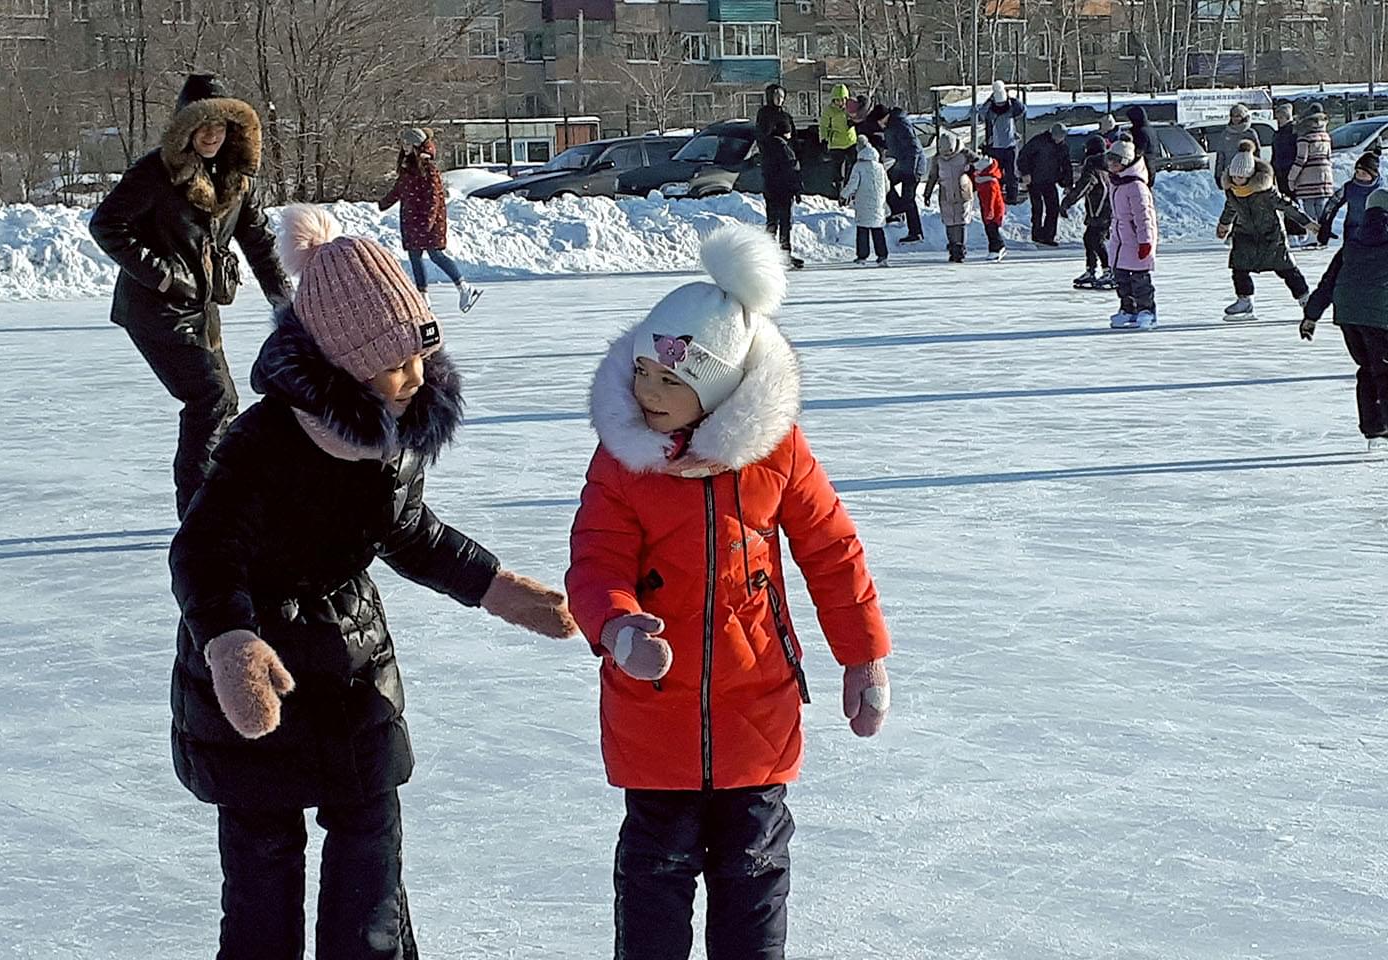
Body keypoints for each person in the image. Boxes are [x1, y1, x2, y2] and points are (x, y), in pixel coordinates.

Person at [169, 204, 578, 959]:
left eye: (421, 354)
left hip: (352, 662)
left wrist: (495, 586)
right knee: (262, 858)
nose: (414, 377)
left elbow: (408, 532)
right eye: (394, 364)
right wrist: (231, 642)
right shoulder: (263, 441)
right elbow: (201, 549)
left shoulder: (395, 430)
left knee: (371, 847)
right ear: (339, 360)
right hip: (258, 663)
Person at [565, 223, 892, 960]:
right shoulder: (623, 462)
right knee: (653, 890)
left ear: (715, 390)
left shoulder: (775, 454)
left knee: (753, 887)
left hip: (757, 709)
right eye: (645, 371)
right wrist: (617, 630)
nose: (648, 390)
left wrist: (863, 653)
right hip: (652, 713)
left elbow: (831, 549)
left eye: (671, 381)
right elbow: (594, 562)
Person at [90, 73, 292, 520]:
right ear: (185, 128)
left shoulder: (235, 180)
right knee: (210, 399)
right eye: (202, 126)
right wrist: (162, 275)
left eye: (220, 126)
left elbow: (258, 242)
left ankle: (219, 497)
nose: (212, 135)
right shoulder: (156, 173)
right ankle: (197, 512)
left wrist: (287, 306)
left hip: (201, 312)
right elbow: (105, 225)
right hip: (153, 308)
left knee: (224, 403)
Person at [1301, 187, 1388, 453]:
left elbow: (1329, 281)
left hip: (1348, 315)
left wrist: (1310, 316)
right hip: (1379, 317)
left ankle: (1372, 426)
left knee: (1367, 367)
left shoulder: (1352, 243)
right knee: (1385, 371)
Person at [379, 127, 481, 314]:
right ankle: (423, 298)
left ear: (416, 145)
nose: (404, 146)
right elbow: (399, 189)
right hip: (411, 219)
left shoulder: (428, 168)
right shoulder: (408, 167)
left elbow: (434, 197)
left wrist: (428, 221)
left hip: (428, 221)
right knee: (414, 256)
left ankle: (465, 288)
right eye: (403, 143)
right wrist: (383, 203)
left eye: (408, 143)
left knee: (435, 254)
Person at [1215, 142, 1317, 321]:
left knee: (1286, 269)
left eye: (1241, 177)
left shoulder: (1265, 191)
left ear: (1250, 174)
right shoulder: (1232, 191)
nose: (1237, 180)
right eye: (1234, 176)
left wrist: (1306, 223)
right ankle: (1245, 301)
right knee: (1239, 267)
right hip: (1245, 235)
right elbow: (1230, 208)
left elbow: (1287, 206)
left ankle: (1306, 300)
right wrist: (1224, 225)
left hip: (1271, 235)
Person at [1105, 139, 1159, 329]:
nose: (1112, 165)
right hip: (1120, 241)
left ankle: (1146, 311)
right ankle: (1128, 309)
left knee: (1139, 281)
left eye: (1116, 161)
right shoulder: (1116, 182)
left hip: (1136, 242)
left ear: (1126, 162)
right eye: (1110, 161)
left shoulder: (1136, 186)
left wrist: (1145, 242)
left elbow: (1145, 217)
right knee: (1122, 279)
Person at [1061, 134, 1116, 289]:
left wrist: (1067, 203)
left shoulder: (1093, 167)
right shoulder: (1106, 166)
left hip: (1099, 212)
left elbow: (1083, 187)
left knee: (1096, 240)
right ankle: (1091, 270)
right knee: (1089, 238)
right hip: (1104, 210)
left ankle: (1108, 270)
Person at [760, 117, 804, 270]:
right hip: (784, 191)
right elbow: (792, 170)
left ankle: (768, 253)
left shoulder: (766, 146)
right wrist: (797, 189)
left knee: (772, 222)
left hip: (770, 189)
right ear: (786, 132)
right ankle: (784, 254)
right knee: (785, 223)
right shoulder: (784, 148)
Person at [1018, 122, 1072, 245]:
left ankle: (1049, 236)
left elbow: (1066, 165)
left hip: (1050, 181)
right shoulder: (1038, 141)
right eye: (1057, 137)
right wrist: (1025, 173)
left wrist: (1068, 183)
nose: (1059, 139)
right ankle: (1037, 234)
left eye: (1062, 137)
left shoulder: (1063, 147)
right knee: (1038, 208)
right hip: (1035, 180)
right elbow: (1023, 156)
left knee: (1053, 208)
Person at [924, 130, 975, 263]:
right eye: (944, 152)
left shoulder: (965, 154)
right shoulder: (937, 159)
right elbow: (932, 176)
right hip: (945, 194)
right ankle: (952, 247)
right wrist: (927, 193)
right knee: (949, 222)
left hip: (962, 193)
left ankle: (960, 248)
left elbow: (980, 165)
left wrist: (973, 178)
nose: (946, 155)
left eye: (949, 151)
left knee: (961, 221)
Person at [1317, 150, 1384, 246]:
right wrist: (1325, 225)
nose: (1359, 176)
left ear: (1374, 174)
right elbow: (1332, 205)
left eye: (1364, 173)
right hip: (1352, 233)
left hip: (1376, 235)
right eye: (1357, 172)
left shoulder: (1381, 191)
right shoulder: (1349, 187)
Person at [842, 135, 891, 265]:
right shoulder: (880, 166)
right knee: (877, 229)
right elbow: (887, 185)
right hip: (878, 203)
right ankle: (882, 255)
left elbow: (853, 184)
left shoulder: (859, 166)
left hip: (863, 202)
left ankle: (862, 256)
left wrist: (843, 195)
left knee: (863, 230)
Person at [978, 80, 1027, 203]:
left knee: (1011, 174)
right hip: (997, 147)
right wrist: (990, 101)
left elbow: (1022, 109)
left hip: (1007, 146)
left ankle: (1011, 197)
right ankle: (998, 195)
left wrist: (1012, 99)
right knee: (997, 173)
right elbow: (980, 115)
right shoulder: (996, 110)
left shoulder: (1008, 108)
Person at [882, 106, 926, 242]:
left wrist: (911, 171)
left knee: (908, 198)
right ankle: (897, 211)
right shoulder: (891, 124)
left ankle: (916, 232)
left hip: (913, 166)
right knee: (885, 181)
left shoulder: (900, 123)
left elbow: (913, 148)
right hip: (902, 164)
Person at [1289, 103, 1334, 229]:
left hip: (1308, 177)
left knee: (1309, 207)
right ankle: (1324, 233)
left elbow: (1301, 159)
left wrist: (1291, 178)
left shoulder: (1305, 137)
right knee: (1321, 206)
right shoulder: (1326, 136)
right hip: (1324, 176)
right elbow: (1329, 157)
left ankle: (1313, 234)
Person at [1272, 103, 1305, 243]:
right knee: (1284, 200)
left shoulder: (1293, 132)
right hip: (1280, 170)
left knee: (1292, 201)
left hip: (1291, 170)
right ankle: (1290, 228)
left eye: (1279, 117)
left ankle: (1297, 229)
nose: (1277, 120)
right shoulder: (1277, 133)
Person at [818, 83, 857, 191]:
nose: (840, 102)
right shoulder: (829, 110)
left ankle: (849, 185)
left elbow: (859, 116)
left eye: (843, 99)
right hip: (836, 143)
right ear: (833, 100)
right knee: (837, 168)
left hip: (850, 141)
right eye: (837, 100)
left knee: (853, 164)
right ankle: (838, 187)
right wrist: (824, 140)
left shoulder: (850, 108)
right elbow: (823, 126)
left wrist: (854, 122)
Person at [1214, 103, 1262, 189]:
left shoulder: (1250, 133)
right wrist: (1218, 174)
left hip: (1246, 174)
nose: (1235, 119)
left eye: (1238, 116)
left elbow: (1257, 155)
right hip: (1230, 174)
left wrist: (1256, 173)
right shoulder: (1226, 133)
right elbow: (1220, 155)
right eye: (1233, 116)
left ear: (1243, 117)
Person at [971, 154, 1007, 262]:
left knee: (992, 230)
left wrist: (990, 211)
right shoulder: (982, 179)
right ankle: (994, 248)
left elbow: (992, 199)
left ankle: (998, 247)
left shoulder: (990, 182)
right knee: (989, 229)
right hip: (986, 208)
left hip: (993, 210)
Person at [1123, 105, 1160, 188]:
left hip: (1141, 168)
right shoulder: (1150, 129)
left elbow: (1138, 151)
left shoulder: (1140, 132)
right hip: (1150, 166)